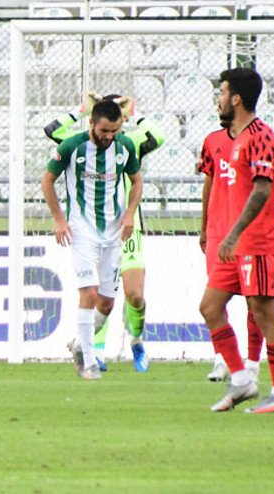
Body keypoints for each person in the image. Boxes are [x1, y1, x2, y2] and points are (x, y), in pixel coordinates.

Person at [44, 92, 165, 372]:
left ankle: (97, 343)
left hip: (118, 231)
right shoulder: (73, 144)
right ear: (91, 123)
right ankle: (88, 362)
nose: (109, 136)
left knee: (110, 302)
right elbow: (48, 168)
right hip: (81, 230)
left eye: (115, 130)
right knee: (89, 293)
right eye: (104, 130)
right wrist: (59, 220)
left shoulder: (126, 144)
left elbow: (138, 179)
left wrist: (129, 214)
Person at [199, 67, 274, 413]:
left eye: (222, 92)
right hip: (233, 246)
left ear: (236, 98)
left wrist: (234, 232)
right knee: (210, 308)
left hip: (258, 243)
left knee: (264, 314)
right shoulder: (231, 139)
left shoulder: (263, 136)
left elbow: (263, 189)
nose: (219, 99)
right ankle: (240, 380)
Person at [198, 111, 264, 384]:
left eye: (223, 95)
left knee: (256, 301)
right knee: (213, 302)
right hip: (217, 232)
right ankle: (221, 359)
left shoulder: (259, 141)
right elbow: (209, 183)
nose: (218, 104)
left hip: (248, 234)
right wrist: (204, 226)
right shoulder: (212, 141)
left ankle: (252, 363)